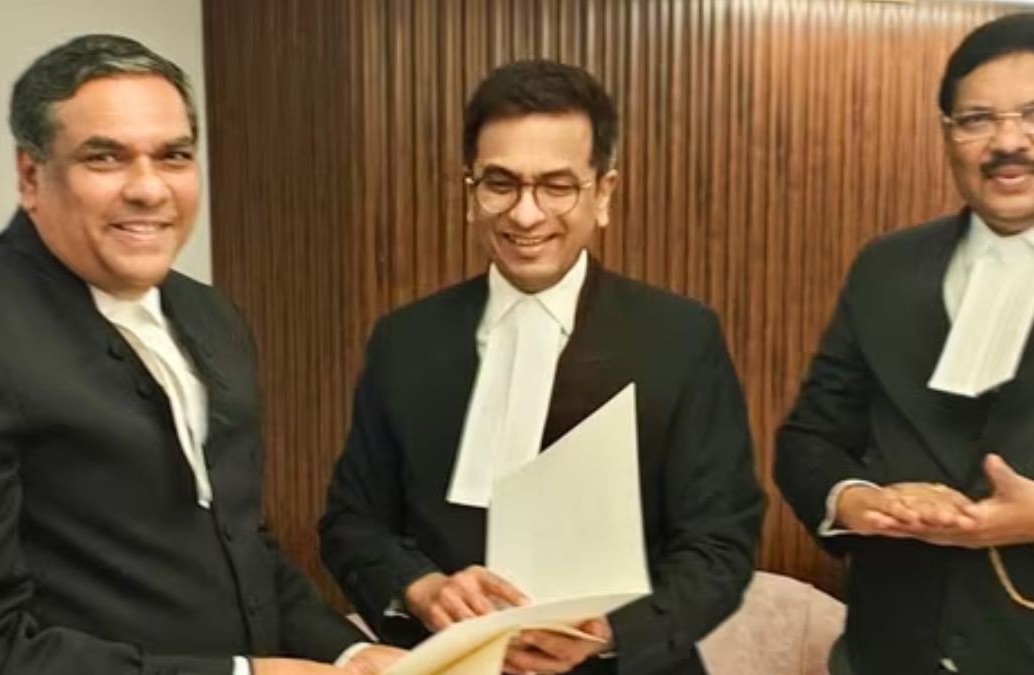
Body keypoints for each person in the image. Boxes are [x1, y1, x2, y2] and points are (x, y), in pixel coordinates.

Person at [0, 34, 403, 675]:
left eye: (174, 156)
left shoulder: (211, 315)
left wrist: (350, 651)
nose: (148, 189)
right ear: (31, 176)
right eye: (105, 158)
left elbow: (240, 547)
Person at [319, 59, 764, 675]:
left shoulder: (681, 339)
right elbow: (351, 523)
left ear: (603, 194)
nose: (525, 215)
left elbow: (719, 544)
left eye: (557, 186)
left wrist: (609, 633)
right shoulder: (404, 341)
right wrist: (423, 589)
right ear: (470, 192)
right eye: (500, 183)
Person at [775, 13, 1034, 675]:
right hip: (885, 651)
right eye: (976, 120)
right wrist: (858, 500)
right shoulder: (887, 266)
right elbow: (809, 438)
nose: (1007, 142)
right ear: (948, 135)